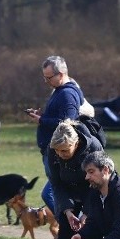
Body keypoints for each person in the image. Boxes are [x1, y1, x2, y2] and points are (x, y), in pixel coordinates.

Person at [47, 119, 104, 239]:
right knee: (65, 230)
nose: (60, 154)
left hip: (91, 188)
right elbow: (56, 183)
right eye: (57, 151)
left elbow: (98, 182)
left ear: (76, 143)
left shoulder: (93, 148)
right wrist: (68, 211)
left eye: (65, 150)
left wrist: (86, 213)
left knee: (89, 231)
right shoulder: (54, 151)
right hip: (67, 190)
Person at [25, 56, 84, 214]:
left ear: (61, 74)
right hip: (52, 150)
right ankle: (71, 233)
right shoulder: (59, 91)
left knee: (51, 194)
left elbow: (68, 123)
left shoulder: (67, 94)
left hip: (59, 153)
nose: (46, 81)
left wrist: (42, 120)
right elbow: (59, 117)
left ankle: (75, 231)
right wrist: (42, 115)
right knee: (53, 193)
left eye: (49, 77)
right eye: (44, 77)